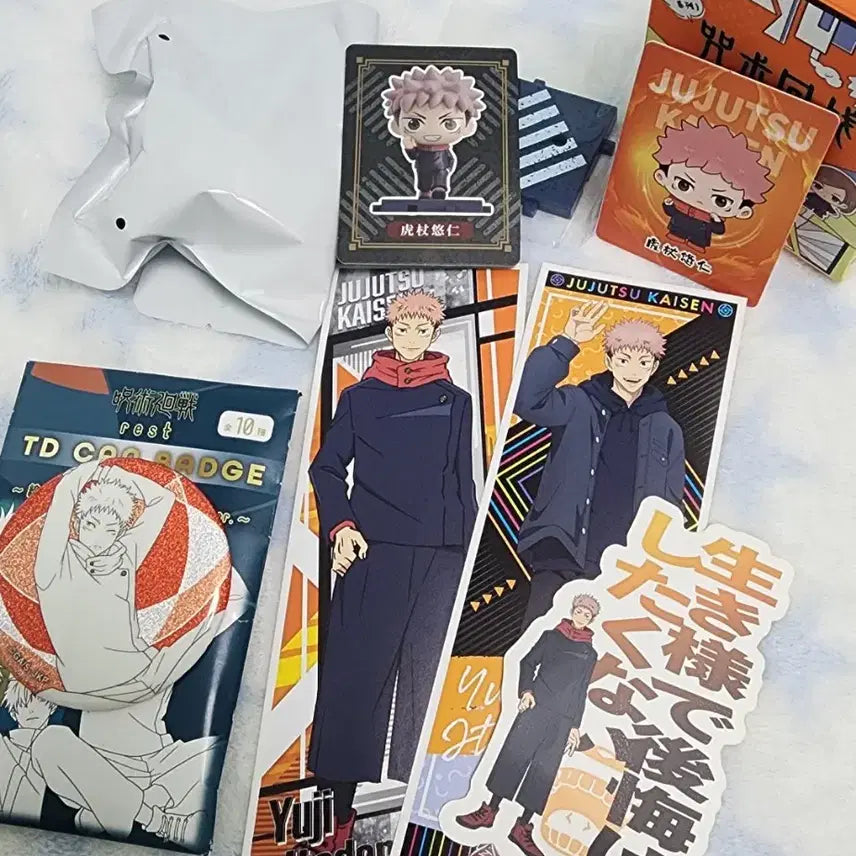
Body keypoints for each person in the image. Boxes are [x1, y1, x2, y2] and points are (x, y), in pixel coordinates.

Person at [308, 290, 478, 849]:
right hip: (372, 548)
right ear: (389, 331)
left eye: (422, 329)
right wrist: (342, 526)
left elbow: (461, 481)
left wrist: (468, 551)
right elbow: (326, 468)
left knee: (429, 683)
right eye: (403, 326)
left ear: (433, 335)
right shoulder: (359, 398)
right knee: (352, 682)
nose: (411, 337)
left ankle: (428, 816)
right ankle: (334, 818)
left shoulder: (456, 401)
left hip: (442, 554)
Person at [514, 301, 685, 627]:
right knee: (535, 638)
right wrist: (566, 342)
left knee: (595, 653)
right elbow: (526, 399)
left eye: (643, 362)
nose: (633, 370)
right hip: (563, 549)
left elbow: (671, 507)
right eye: (623, 360)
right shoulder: (578, 402)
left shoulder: (666, 428)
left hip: (625, 568)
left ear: (654, 367)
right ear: (608, 361)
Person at [456, 594, 601, 856]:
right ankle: (490, 810)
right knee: (513, 757)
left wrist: (575, 726)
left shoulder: (590, 653)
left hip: (562, 720)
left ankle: (522, 827)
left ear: (591, 620)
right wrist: (527, 691)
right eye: (579, 611)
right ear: (572, 610)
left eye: (587, 615)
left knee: (543, 772)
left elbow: (581, 690)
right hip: (536, 707)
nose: (581, 617)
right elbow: (528, 662)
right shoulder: (551, 636)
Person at [653, 118, 773, 253]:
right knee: (676, 232)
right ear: (661, 177)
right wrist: (668, 205)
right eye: (684, 185)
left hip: (701, 233)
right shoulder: (679, 204)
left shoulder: (710, 217)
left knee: (698, 241)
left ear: (743, 212)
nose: (699, 199)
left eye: (721, 201)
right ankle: (676, 236)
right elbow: (671, 212)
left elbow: (719, 230)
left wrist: (716, 221)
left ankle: (696, 245)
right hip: (677, 225)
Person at [382, 65, 485, 199]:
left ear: (468, 126)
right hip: (423, 162)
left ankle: (439, 188)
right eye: (414, 123)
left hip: (441, 162)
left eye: (449, 124)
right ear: (396, 125)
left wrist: (449, 164)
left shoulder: (445, 150)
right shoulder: (419, 148)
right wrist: (408, 147)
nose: (431, 133)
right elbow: (413, 156)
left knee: (441, 174)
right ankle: (425, 192)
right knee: (423, 178)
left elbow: (449, 160)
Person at [0, 677, 56, 822]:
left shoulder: (59, 750)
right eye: (23, 705)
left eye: (39, 702)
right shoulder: (4, 746)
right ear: (14, 712)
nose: (32, 710)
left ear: (51, 707)